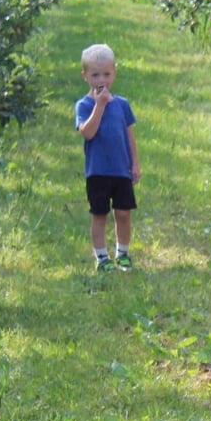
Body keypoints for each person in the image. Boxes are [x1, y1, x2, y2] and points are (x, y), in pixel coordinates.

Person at [75, 43, 140, 272]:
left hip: (121, 169)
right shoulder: (84, 105)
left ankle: (122, 253)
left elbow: (129, 135)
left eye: (106, 74)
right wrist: (99, 105)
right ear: (85, 76)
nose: (101, 79)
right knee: (99, 214)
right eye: (94, 75)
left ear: (114, 73)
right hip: (98, 171)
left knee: (123, 213)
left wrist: (135, 164)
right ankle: (102, 257)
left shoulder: (122, 105)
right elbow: (88, 132)